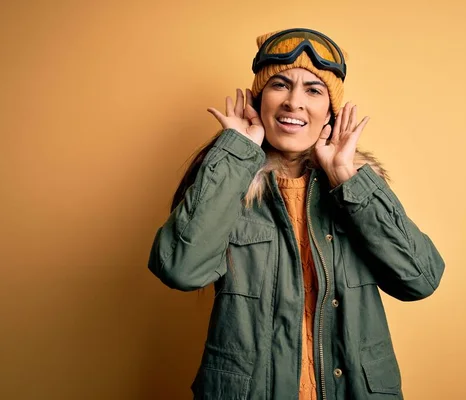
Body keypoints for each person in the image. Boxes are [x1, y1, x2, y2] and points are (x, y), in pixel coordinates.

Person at [148, 28, 445, 400]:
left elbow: (421, 279)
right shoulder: (229, 183)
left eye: (313, 90)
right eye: (279, 85)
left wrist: (346, 177)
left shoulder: (355, 189)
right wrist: (237, 153)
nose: (294, 102)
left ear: (330, 113)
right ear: (259, 101)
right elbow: (179, 267)